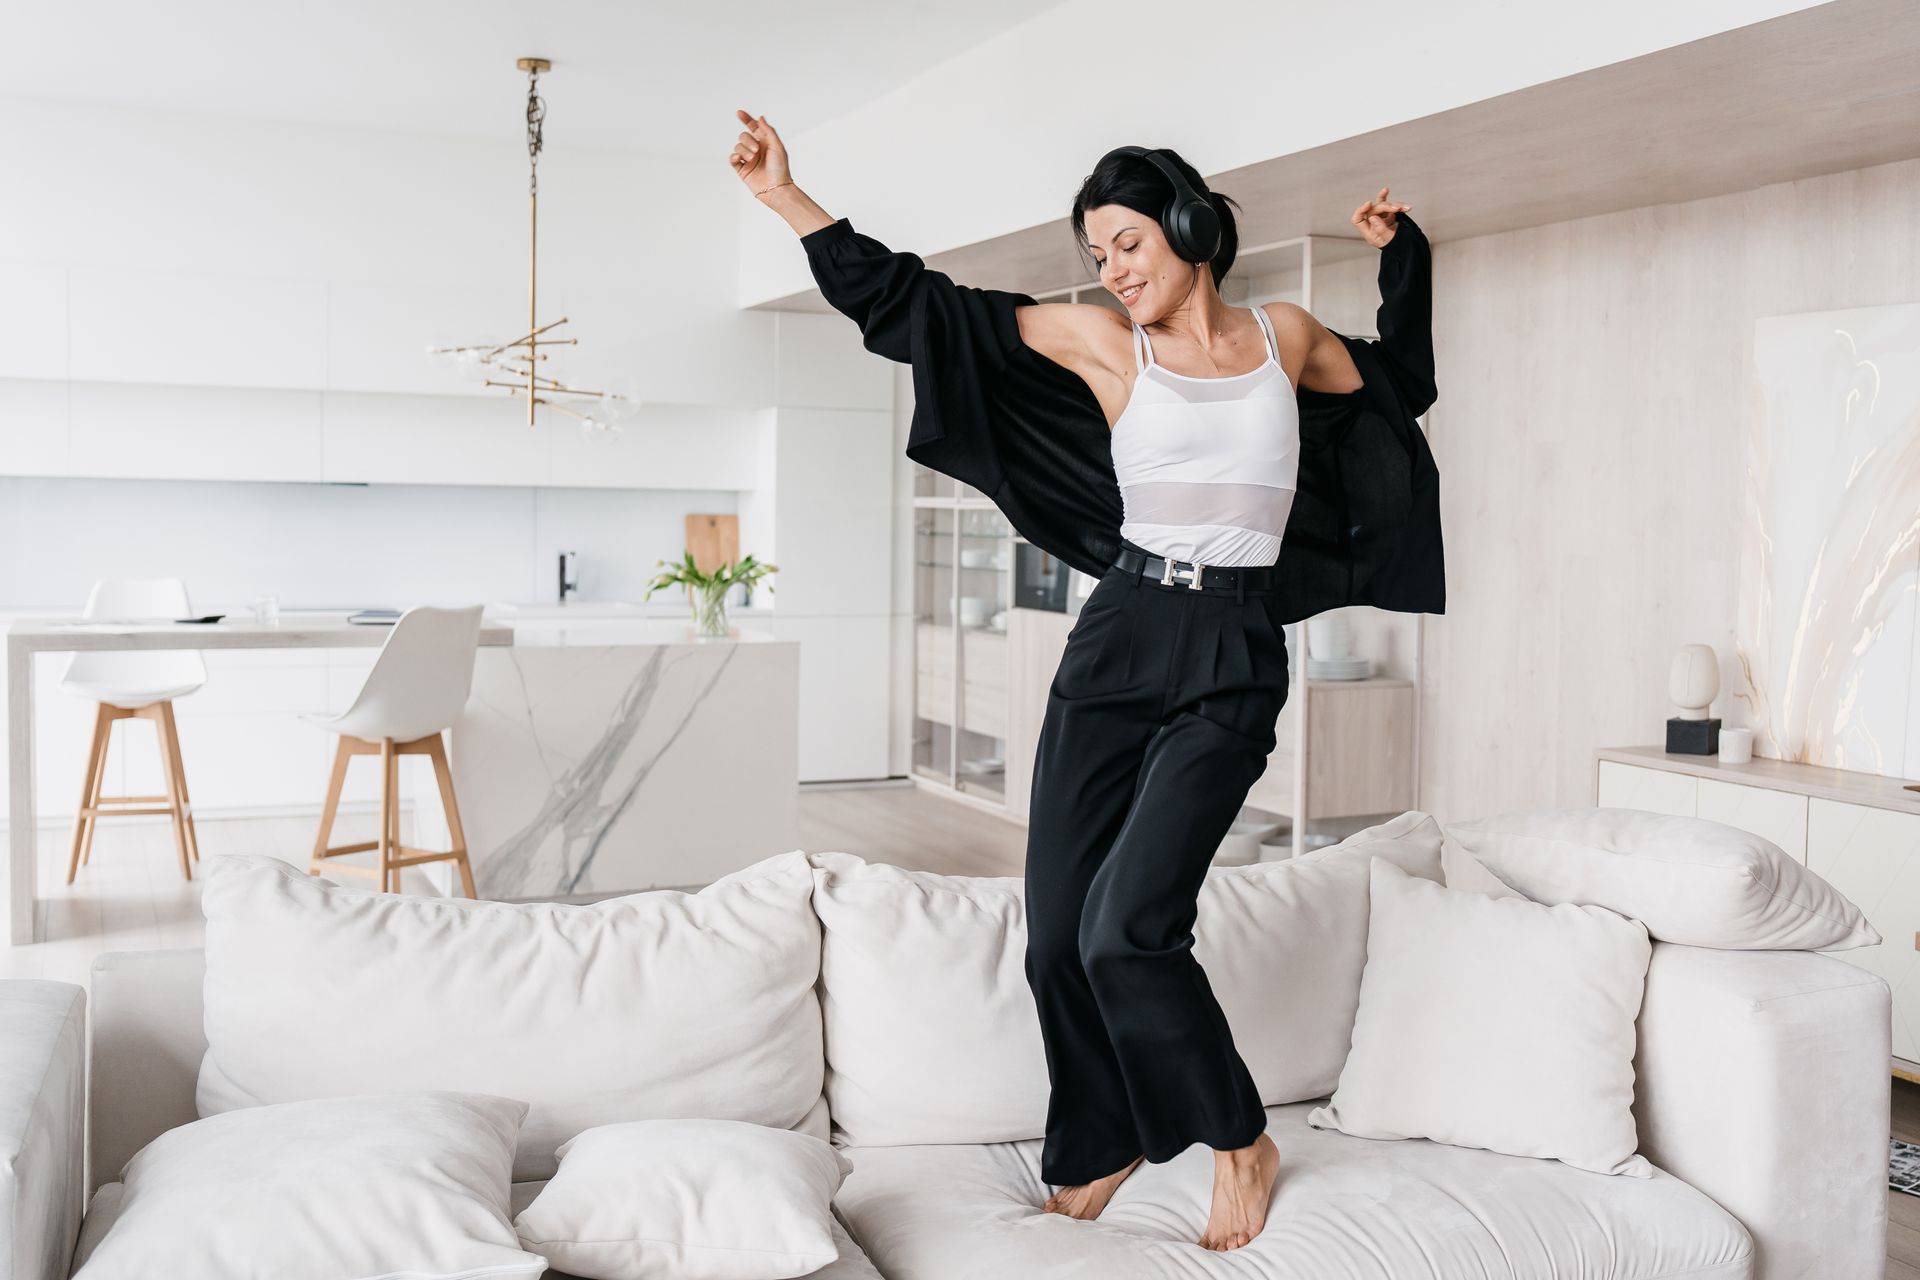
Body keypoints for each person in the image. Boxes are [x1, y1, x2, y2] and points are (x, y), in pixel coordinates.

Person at [731, 109, 1436, 1253]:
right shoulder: (1107, 344)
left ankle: (1238, 1137)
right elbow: (921, 310)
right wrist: (786, 198)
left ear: (1187, 224)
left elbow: (1395, 386)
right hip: (1116, 639)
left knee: (1126, 930)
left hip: (1232, 653)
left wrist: (1405, 257)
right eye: (1096, 255)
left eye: (1125, 242)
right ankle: (1100, 1135)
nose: (1111, 269)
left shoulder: (1286, 335)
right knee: (1058, 934)